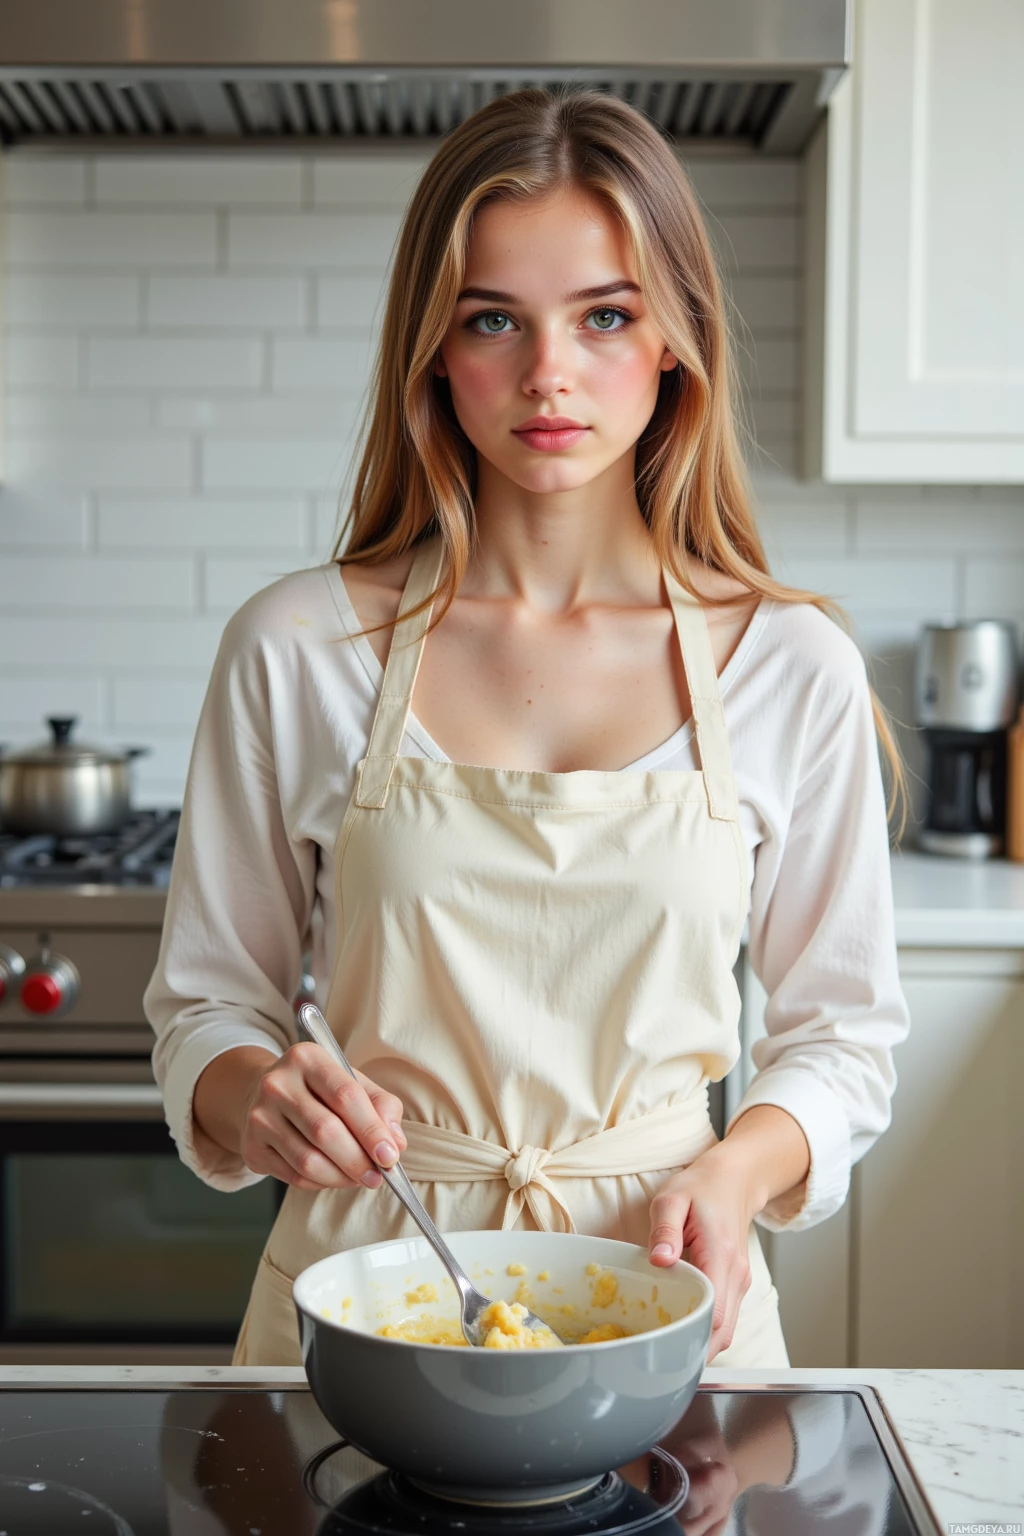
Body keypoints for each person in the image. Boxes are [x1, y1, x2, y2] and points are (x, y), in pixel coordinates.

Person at [145, 89, 910, 1369]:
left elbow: (842, 1038)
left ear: (675, 338)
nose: (548, 373)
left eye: (604, 315)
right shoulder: (295, 649)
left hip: (668, 1298)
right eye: (493, 319)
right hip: (365, 1291)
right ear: (434, 351)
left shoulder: (787, 664)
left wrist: (732, 1176)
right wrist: (255, 1095)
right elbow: (207, 1010)